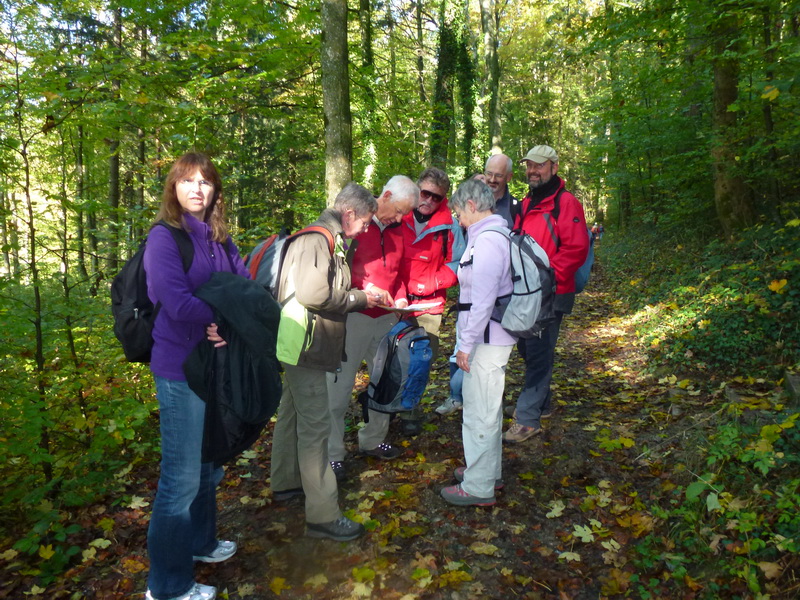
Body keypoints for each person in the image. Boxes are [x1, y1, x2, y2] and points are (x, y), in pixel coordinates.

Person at [143, 152, 251, 600]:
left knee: (208, 466)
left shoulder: (220, 239)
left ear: (215, 191)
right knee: (181, 479)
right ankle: (167, 586)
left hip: (213, 368)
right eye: (187, 180)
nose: (196, 189)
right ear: (174, 187)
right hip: (179, 370)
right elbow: (174, 299)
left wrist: (226, 319)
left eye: (205, 181)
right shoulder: (164, 237)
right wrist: (220, 315)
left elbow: (244, 288)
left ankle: (201, 542)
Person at [270, 183, 380, 542]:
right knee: (316, 429)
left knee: (292, 413)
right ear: (349, 214)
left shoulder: (326, 239)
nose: (366, 228)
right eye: (365, 221)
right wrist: (359, 298)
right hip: (306, 346)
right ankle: (323, 514)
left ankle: (286, 482)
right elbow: (313, 293)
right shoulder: (319, 240)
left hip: (298, 343)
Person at [326, 176, 420, 480]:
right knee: (338, 387)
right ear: (386, 195)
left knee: (384, 382)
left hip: (387, 317)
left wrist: (402, 297)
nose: (400, 218)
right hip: (352, 316)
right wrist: (365, 289)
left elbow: (401, 272)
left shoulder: (400, 230)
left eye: (406, 213)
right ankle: (332, 453)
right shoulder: (354, 224)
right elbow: (336, 270)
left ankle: (373, 440)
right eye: (399, 210)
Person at [504, 145, 589, 443]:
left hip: (551, 292)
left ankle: (528, 420)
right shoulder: (528, 202)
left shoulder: (565, 203)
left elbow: (577, 248)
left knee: (539, 352)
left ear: (554, 166)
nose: (533, 171)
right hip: (525, 291)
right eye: (529, 165)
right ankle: (541, 404)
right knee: (528, 349)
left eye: (539, 165)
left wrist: (548, 277)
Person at [439, 179, 516, 506]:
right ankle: (487, 472)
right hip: (492, 336)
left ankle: (478, 486)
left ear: (471, 205)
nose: (458, 220)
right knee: (488, 408)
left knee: (479, 412)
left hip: (486, 339)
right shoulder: (496, 235)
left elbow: (482, 301)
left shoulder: (487, 242)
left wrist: (465, 346)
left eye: (459, 212)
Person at [399, 167, 466, 435]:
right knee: (391, 358)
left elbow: (459, 262)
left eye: (435, 197)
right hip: (394, 303)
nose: (428, 200)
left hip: (429, 305)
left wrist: (432, 282)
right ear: (417, 190)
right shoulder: (398, 215)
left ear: (443, 199)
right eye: (424, 193)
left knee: (420, 361)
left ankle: (409, 409)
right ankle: (387, 405)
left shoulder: (450, 225)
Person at [482, 154, 516, 228]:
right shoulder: (472, 202)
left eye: (498, 175)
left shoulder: (515, 209)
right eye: (489, 174)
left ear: (509, 177)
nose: (492, 180)